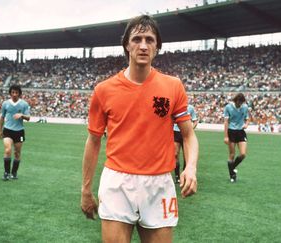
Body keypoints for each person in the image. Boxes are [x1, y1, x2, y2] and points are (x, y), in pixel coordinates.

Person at [80, 15, 199, 243]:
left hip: (159, 183)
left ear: (157, 46)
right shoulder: (104, 90)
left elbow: (188, 135)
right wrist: (86, 189)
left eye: (149, 39)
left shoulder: (173, 86)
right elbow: (93, 141)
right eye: (136, 39)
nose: (143, 45)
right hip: (117, 182)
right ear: (126, 45)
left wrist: (191, 168)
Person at [0, 84, 30, 181]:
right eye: (13, 92)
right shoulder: (5, 104)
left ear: (19, 94)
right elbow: (2, 117)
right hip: (7, 130)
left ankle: (14, 172)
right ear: (10, 93)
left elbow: (28, 118)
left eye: (16, 92)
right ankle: (6, 173)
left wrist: (22, 115)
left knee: (17, 153)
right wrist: (0, 131)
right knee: (8, 150)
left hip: (19, 132)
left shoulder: (24, 104)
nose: (14, 94)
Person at [223, 93, 249, 183]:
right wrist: (226, 136)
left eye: (241, 103)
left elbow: (247, 118)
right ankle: (232, 175)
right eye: (238, 102)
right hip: (231, 131)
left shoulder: (245, 107)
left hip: (241, 131)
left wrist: (246, 124)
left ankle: (232, 167)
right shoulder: (228, 107)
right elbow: (226, 122)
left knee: (243, 154)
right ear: (235, 100)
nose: (239, 104)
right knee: (232, 154)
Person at [174, 104, 198, 183]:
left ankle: (185, 176)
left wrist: (190, 130)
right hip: (175, 133)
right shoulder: (175, 106)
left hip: (185, 134)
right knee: (175, 154)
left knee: (186, 157)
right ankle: (177, 176)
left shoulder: (190, 108)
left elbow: (195, 121)